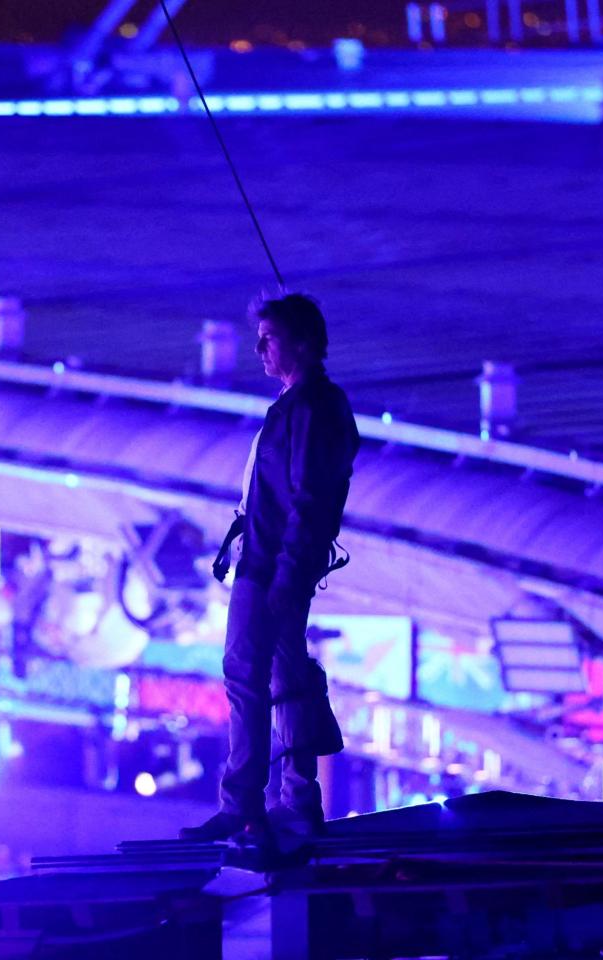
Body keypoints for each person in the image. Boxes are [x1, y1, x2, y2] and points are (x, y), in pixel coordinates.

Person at [182, 292, 359, 845]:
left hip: (271, 567)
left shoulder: (307, 409)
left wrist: (283, 573)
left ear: (303, 342)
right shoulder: (301, 405)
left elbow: (308, 499)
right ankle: (298, 800)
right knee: (286, 679)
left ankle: (243, 805)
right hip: (274, 563)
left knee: (247, 678)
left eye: (270, 338)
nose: (259, 348)